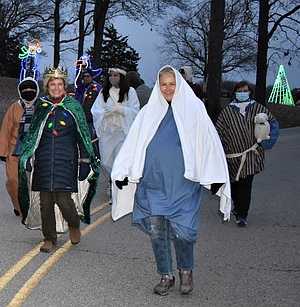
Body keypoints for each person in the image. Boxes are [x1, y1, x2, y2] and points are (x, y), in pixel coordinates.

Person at [110, 65, 231, 296]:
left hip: (183, 185)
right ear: (158, 85)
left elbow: (208, 143)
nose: (168, 89)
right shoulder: (149, 112)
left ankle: (186, 270)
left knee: (183, 232)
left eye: (172, 84)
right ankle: (166, 275)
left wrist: (214, 177)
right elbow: (133, 145)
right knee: (158, 232)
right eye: (163, 84)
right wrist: (123, 172)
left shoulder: (194, 109)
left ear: (180, 85)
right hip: (153, 185)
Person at [16, 66, 99, 253]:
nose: (55, 87)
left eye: (59, 84)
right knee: (45, 202)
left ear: (64, 86)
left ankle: (74, 224)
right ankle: (49, 238)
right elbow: (33, 136)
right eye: (52, 84)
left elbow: (82, 136)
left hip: (66, 161)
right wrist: (28, 156)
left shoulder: (73, 107)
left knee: (63, 200)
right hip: (44, 162)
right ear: (47, 86)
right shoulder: (41, 107)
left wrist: (85, 161)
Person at [215, 81, 280, 227]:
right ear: (235, 93)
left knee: (246, 184)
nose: (242, 93)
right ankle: (237, 205)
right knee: (234, 184)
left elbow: (273, 123)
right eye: (239, 90)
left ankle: (242, 215)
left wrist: (266, 143)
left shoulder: (258, 108)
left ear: (250, 92)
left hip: (250, 154)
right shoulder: (227, 111)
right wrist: (217, 150)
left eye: (245, 90)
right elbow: (218, 131)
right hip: (232, 156)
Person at [91, 67, 140, 195]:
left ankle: (117, 187)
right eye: (111, 75)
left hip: (122, 132)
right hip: (108, 133)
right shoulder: (104, 93)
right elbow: (95, 110)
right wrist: (104, 114)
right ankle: (111, 180)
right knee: (106, 162)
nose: (113, 77)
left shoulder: (130, 92)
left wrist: (121, 110)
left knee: (120, 159)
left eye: (116, 75)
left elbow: (135, 111)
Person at [0, 77, 41, 217]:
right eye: (25, 90)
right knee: (13, 180)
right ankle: (19, 206)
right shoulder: (14, 108)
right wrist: (2, 151)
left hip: (35, 151)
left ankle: (34, 207)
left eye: (31, 90)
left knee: (33, 182)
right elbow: (5, 130)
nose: (28, 93)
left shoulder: (42, 107)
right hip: (14, 150)